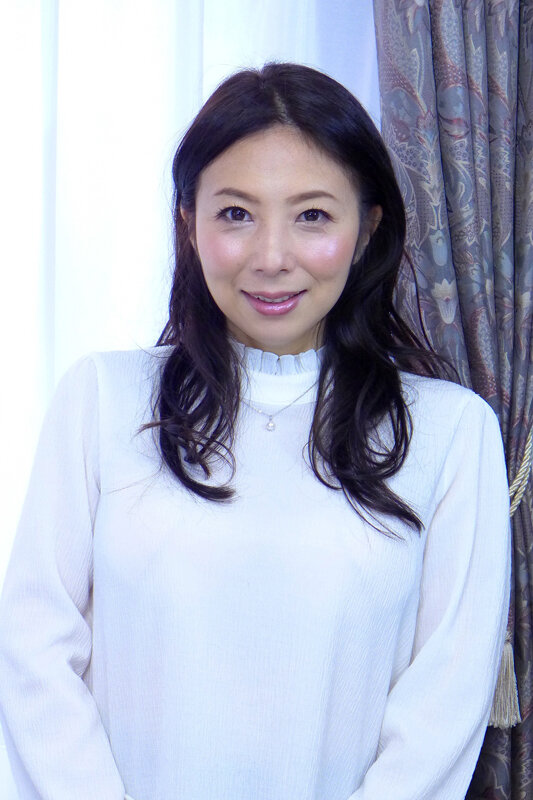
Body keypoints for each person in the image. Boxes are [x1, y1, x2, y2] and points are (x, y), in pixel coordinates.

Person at [0, 63, 510, 800]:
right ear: (189, 223)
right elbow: (34, 656)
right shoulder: (100, 401)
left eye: (312, 216)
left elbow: (443, 706)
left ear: (366, 228)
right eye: (236, 213)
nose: (271, 257)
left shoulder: (452, 432)